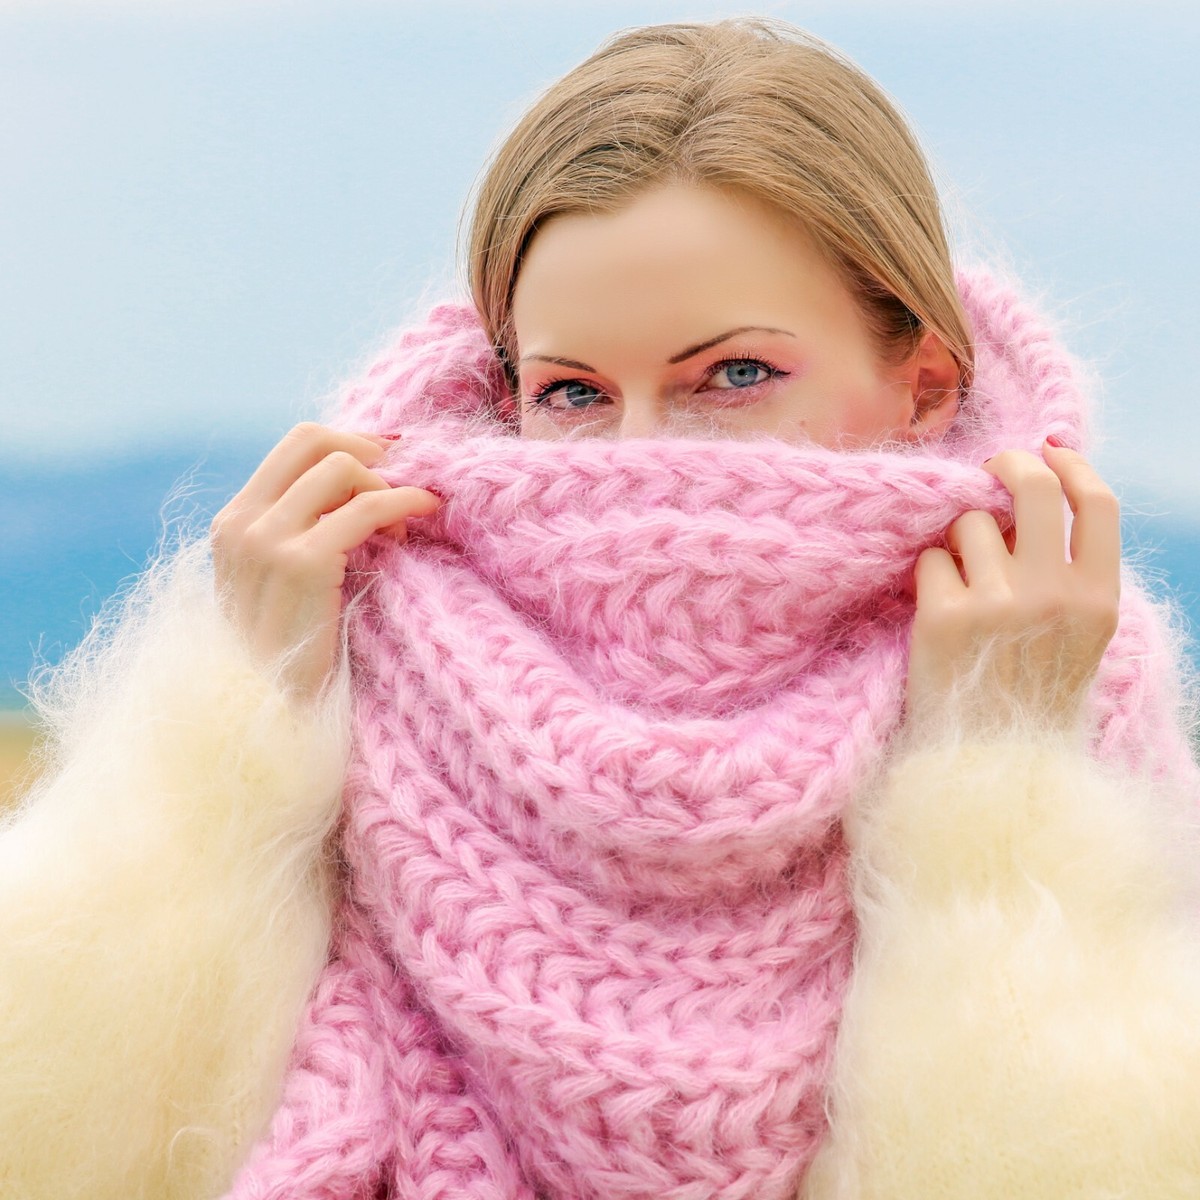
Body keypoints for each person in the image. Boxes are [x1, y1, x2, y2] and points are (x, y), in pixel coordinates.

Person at [2, 18, 1197, 1200]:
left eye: (733, 376)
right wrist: (233, 705)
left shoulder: (1056, 655)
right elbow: (74, 1130)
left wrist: (1001, 763)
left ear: (922, 386)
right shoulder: (352, 616)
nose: (638, 457)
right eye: (573, 390)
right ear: (504, 387)